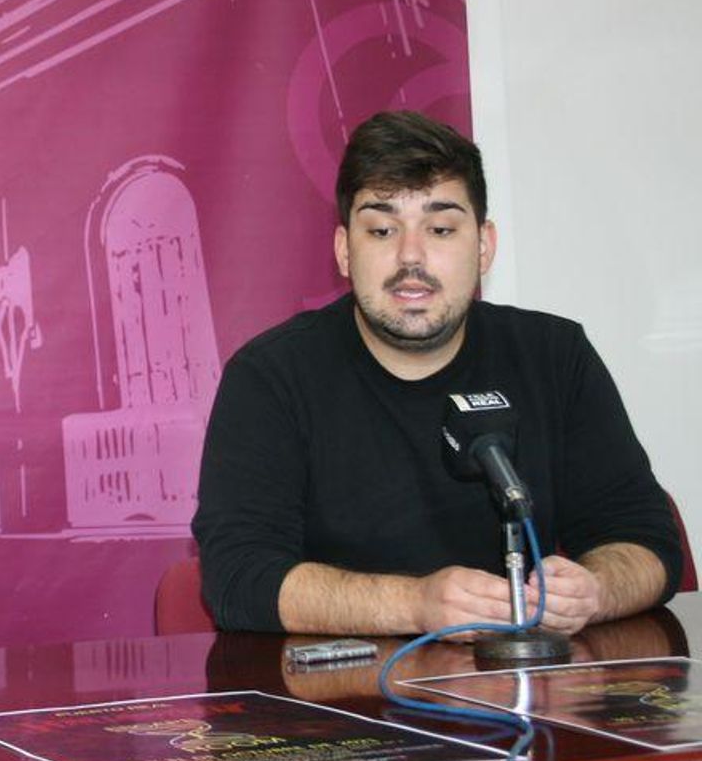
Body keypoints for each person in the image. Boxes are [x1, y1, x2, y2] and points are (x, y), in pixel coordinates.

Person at [192, 111, 683, 636]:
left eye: (441, 228)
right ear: (343, 250)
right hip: (343, 705)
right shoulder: (271, 377)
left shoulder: (555, 356)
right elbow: (237, 578)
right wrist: (416, 605)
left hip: (529, 702)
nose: (410, 255)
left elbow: (647, 540)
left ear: (484, 245)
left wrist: (597, 589)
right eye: (381, 229)